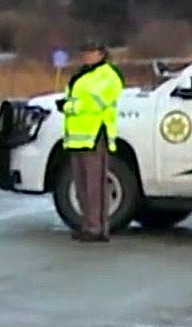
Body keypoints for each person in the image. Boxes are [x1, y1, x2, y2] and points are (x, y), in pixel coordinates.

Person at [55, 39, 124, 242]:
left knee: (96, 185)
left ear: (101, 54)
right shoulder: (82, 74)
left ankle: (98, 228)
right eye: (84, 51)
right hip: (77, 137)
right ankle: (87, 224)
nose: (86, 55)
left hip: (95, 135)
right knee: (82, 185)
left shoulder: (108, 75)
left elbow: (95, 102)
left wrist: (68, 107)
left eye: (91, 52)